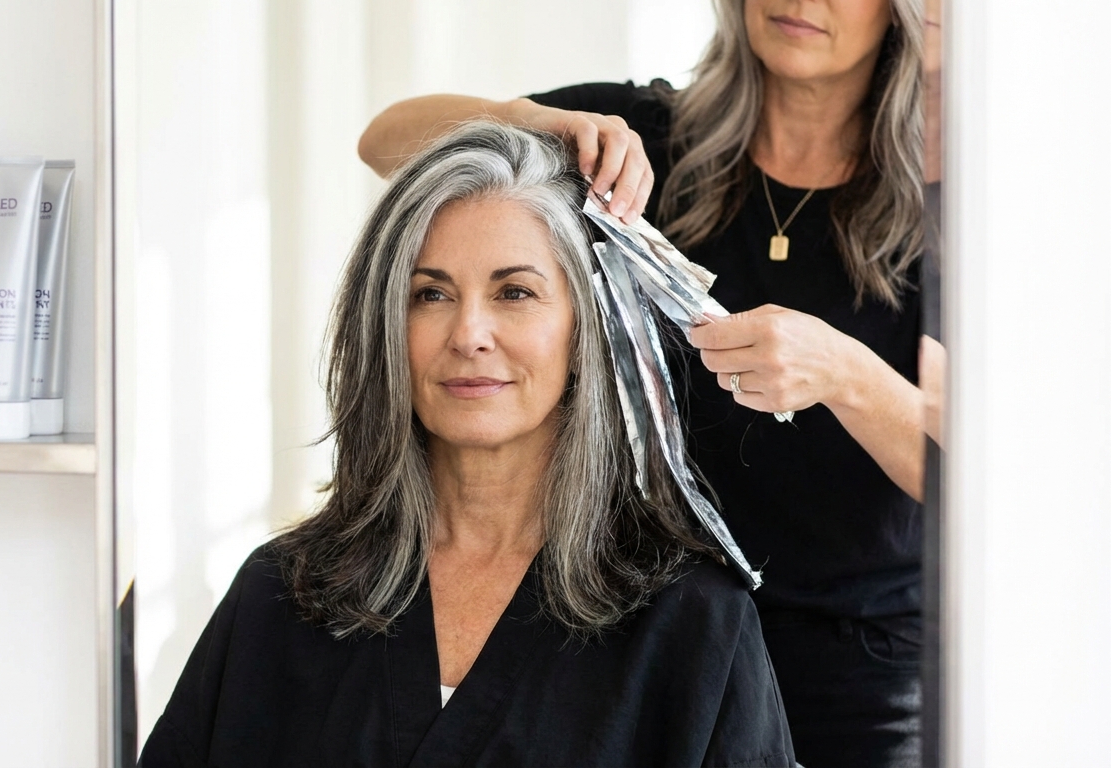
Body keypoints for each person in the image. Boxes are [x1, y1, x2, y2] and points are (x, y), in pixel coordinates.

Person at [358, 1, 934, 766]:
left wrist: (845, 372)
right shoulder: (640, 143)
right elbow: (384, 142)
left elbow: (976, 477)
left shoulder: (941, 215)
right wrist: (528, 122)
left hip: (850, 681)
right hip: (644, 648)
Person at [139, 123, 794, 767]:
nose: (470, 332)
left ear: (585, 330)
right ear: (388, 327)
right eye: (431, 294)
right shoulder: (277, 596)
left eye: (515, 292)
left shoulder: (693, 624)